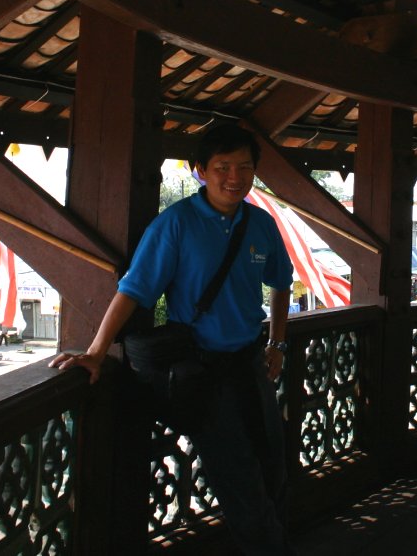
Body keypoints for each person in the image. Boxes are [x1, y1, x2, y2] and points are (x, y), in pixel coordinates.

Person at [51, 124, 296, 555]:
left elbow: (281, 283)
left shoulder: (261, 224)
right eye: (222, 167)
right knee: (239, 478)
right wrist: (94, 352)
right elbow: (134, 290)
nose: (234, 177)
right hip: (202, 372)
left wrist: (277, 343)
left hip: (251, 365)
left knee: (272, 464)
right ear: (200, 170)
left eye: (244, 167)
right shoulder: (176, 225)